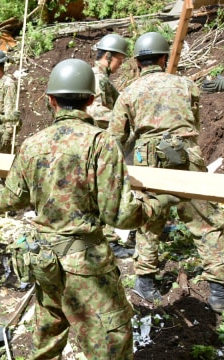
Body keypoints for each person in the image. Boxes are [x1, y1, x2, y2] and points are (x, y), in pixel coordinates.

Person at [0, 58, 179, 359]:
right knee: (110, 343)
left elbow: (10, 200)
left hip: (43, 259)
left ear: (50, 99)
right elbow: (120, 215)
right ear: (91, 99)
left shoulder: (32, 144)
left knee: (48, 332)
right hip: (84, 263)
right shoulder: (100, 143)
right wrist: (157, 205)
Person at [108, 32, 224, 311]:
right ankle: (220, 292)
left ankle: (145, 284)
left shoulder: (128, 93)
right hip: (186, 159)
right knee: (207, 222)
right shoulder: (187, 85)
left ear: (137, 62)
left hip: (147, 162)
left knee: (149, 220)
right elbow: (194, 124)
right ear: (163, 58)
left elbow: (115, 138)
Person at [87, 33, 135, 259]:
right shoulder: (96, 78)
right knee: (104, 188)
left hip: (99, 139)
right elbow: (94, 110)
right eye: (119, 59)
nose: (121, 64)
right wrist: (120, 120)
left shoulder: (101, 78)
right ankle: (108, 239)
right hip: (98, 140)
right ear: (107, 56)